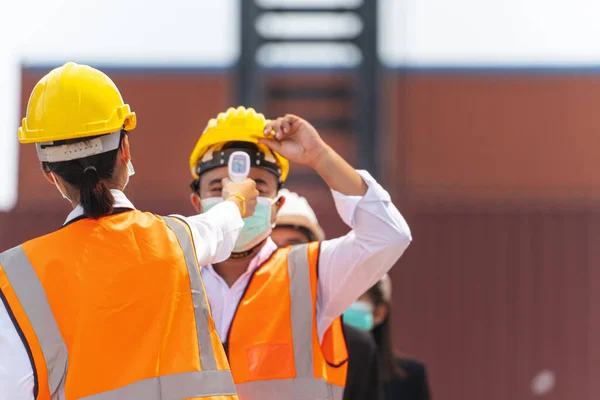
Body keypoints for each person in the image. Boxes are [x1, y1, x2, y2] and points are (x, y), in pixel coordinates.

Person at [0, 62, 259, 399]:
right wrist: (237, 199)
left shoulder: (16, 278)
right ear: (125, 150)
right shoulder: (177, 240)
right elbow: (221, 225)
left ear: (50, 174)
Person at [188, 106, 412, 399]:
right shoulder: (173, 273)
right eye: (219, 189)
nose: (238, 200)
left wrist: (319, 156)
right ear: (196, 202)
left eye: (256, 188)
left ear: (277, 208)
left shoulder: (312, 273)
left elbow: (388, 235)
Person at [273, 189, 384, 400]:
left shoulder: (355, 346)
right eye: (271, 246)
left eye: (294, 245)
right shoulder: (221, 329)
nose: (281, 256)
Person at [344, 276, 432, 400]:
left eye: (357, 298)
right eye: (342, 297)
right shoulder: (325, 373)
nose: (345, 306)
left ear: (380, 312)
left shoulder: (410, 378)